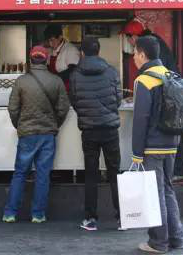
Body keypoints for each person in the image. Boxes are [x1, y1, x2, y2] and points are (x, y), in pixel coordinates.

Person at [2, 45, 71, 223]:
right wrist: (55, 124)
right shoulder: (56, 81)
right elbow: (63, 108)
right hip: (47, 134)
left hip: (27, 134)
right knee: (42, 175)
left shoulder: (21, 81)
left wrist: (20, 125)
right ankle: (38, 214)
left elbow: (13, 108)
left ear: (30, 60)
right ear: (46, 60)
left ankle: (10, 213)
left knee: (20, 173)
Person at [131, 36, 183, 253]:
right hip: (172, 143)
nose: (134, 58)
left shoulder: (144, 81)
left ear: (143, 55)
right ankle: (176, 238)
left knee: (155, 194)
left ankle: (158, 242)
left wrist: (136, 153)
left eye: (135, 53)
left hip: (152, 146)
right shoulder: (170, 75)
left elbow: (140, 119)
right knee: (167, 190)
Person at [69, 37, 122, 231]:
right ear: (99, 51)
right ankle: (122, 217)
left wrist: (87, 114)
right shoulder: (111, 72)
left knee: (91, 175)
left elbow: (75, 101)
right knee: (114, 172)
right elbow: (118, 100)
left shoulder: (75, 75)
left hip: (89, 130)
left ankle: (91, 218)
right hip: (110, 129)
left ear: (82, 53)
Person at [44, 24, 80, 89]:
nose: (50, 44)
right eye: (48, 41)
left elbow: (73, 71)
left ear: (60, 37)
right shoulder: (50, 51)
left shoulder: (70, 49)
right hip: (53, 87)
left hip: (66, 88)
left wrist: (55, 79)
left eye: (52, 40)